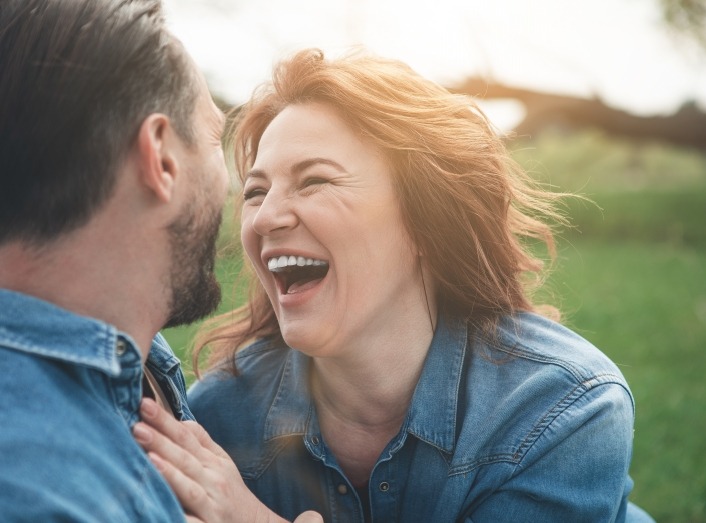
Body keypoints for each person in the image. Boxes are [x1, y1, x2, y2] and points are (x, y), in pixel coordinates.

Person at [136, 48, 654, 522]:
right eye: (255, 191)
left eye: (315, 180)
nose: (264, 217)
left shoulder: (562, 412)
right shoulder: (218, 420)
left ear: (427, 222)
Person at [0, 2, 322, 522]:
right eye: (216, 139)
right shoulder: (56, 493)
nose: (256, 213)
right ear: (162, 158)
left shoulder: (140, 370)